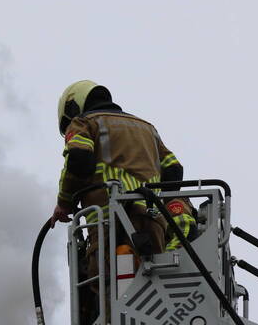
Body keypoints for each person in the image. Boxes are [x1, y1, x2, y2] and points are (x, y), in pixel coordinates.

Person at [51, 80, 183, 258]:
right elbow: (174, 170)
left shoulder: (84, 123)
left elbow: (79, 159)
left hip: (110, 223)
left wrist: (64, 203)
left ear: (73, 106)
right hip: (153, 222)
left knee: (104, 283)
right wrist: (157, 204)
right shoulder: (148, 129)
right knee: (151, 278)